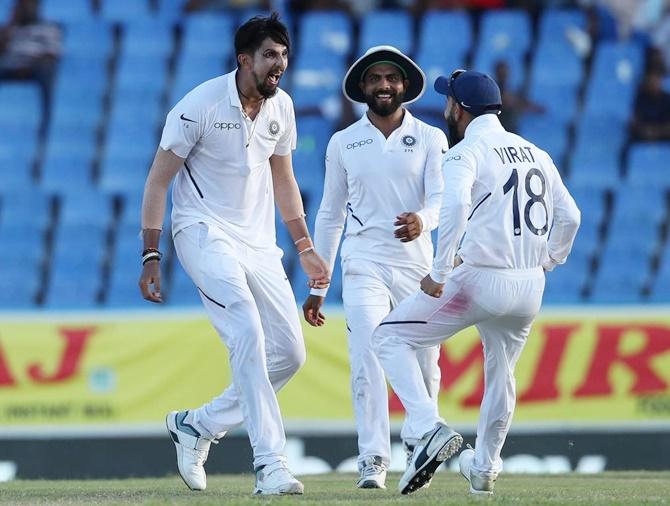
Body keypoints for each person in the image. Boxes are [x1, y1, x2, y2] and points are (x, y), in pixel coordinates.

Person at [138, 13, 330, 496]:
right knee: (245, 324)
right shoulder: (198, 104)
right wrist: (150, 254)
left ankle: (198, 425)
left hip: (259, 241)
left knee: (289, 353)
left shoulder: (281, 106)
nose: (279, 64)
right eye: (269, 55)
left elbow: (284, 181)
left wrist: (304, 247)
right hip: (202, 231)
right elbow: (158, 180)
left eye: (284, 56)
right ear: (244, 59)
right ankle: (270, 464)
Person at [372, 69, 581, 496]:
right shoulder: (535, 152)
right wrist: (550, 260)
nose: (446, 106)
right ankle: (484, 469)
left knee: (388, 338)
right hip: (529, 286)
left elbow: (453, 209)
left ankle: (429, 427)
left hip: (478, 280)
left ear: (460, 109)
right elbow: (571, 216)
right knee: (502, 375)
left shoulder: (465, 152)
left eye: (449, 100)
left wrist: (439, 271)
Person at [302, 45, 447, 490]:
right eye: (375, 79)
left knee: (425, 364)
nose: (384, 85)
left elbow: (445, 201)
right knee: (366, 354)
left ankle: (419, 444)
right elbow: (330, 214)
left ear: (405, 85)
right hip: (363, 260)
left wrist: (423, 220)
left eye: (392, 78)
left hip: (416, 265)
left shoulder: (431, 138)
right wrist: (319, 285)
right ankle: (372, 458)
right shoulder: (344, 141)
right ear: (362, 87)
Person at [629, 67, 670, 142]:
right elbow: (634, 122)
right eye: (651, 78)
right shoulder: (640, 98)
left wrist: (656, 132)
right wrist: (645, 131)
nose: (654, 82)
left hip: (664, 138)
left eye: (657, 78)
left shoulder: (667, 99)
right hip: (643, 137)